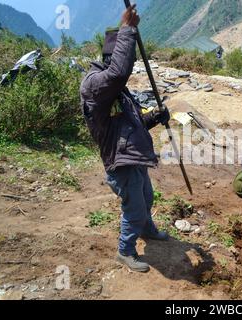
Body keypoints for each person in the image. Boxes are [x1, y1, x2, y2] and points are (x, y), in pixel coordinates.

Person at [79, 5, 170, 273]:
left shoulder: (118, 92)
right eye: (123, 54)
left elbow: (133, 123)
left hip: (133, 156)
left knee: (147, 197)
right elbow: (120, 71)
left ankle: (148, 230)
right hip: (120, 162)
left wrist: (155, 117)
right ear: (112, 55)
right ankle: (125, 251)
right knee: (135, 208)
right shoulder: (94, 85)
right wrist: (128, 28)